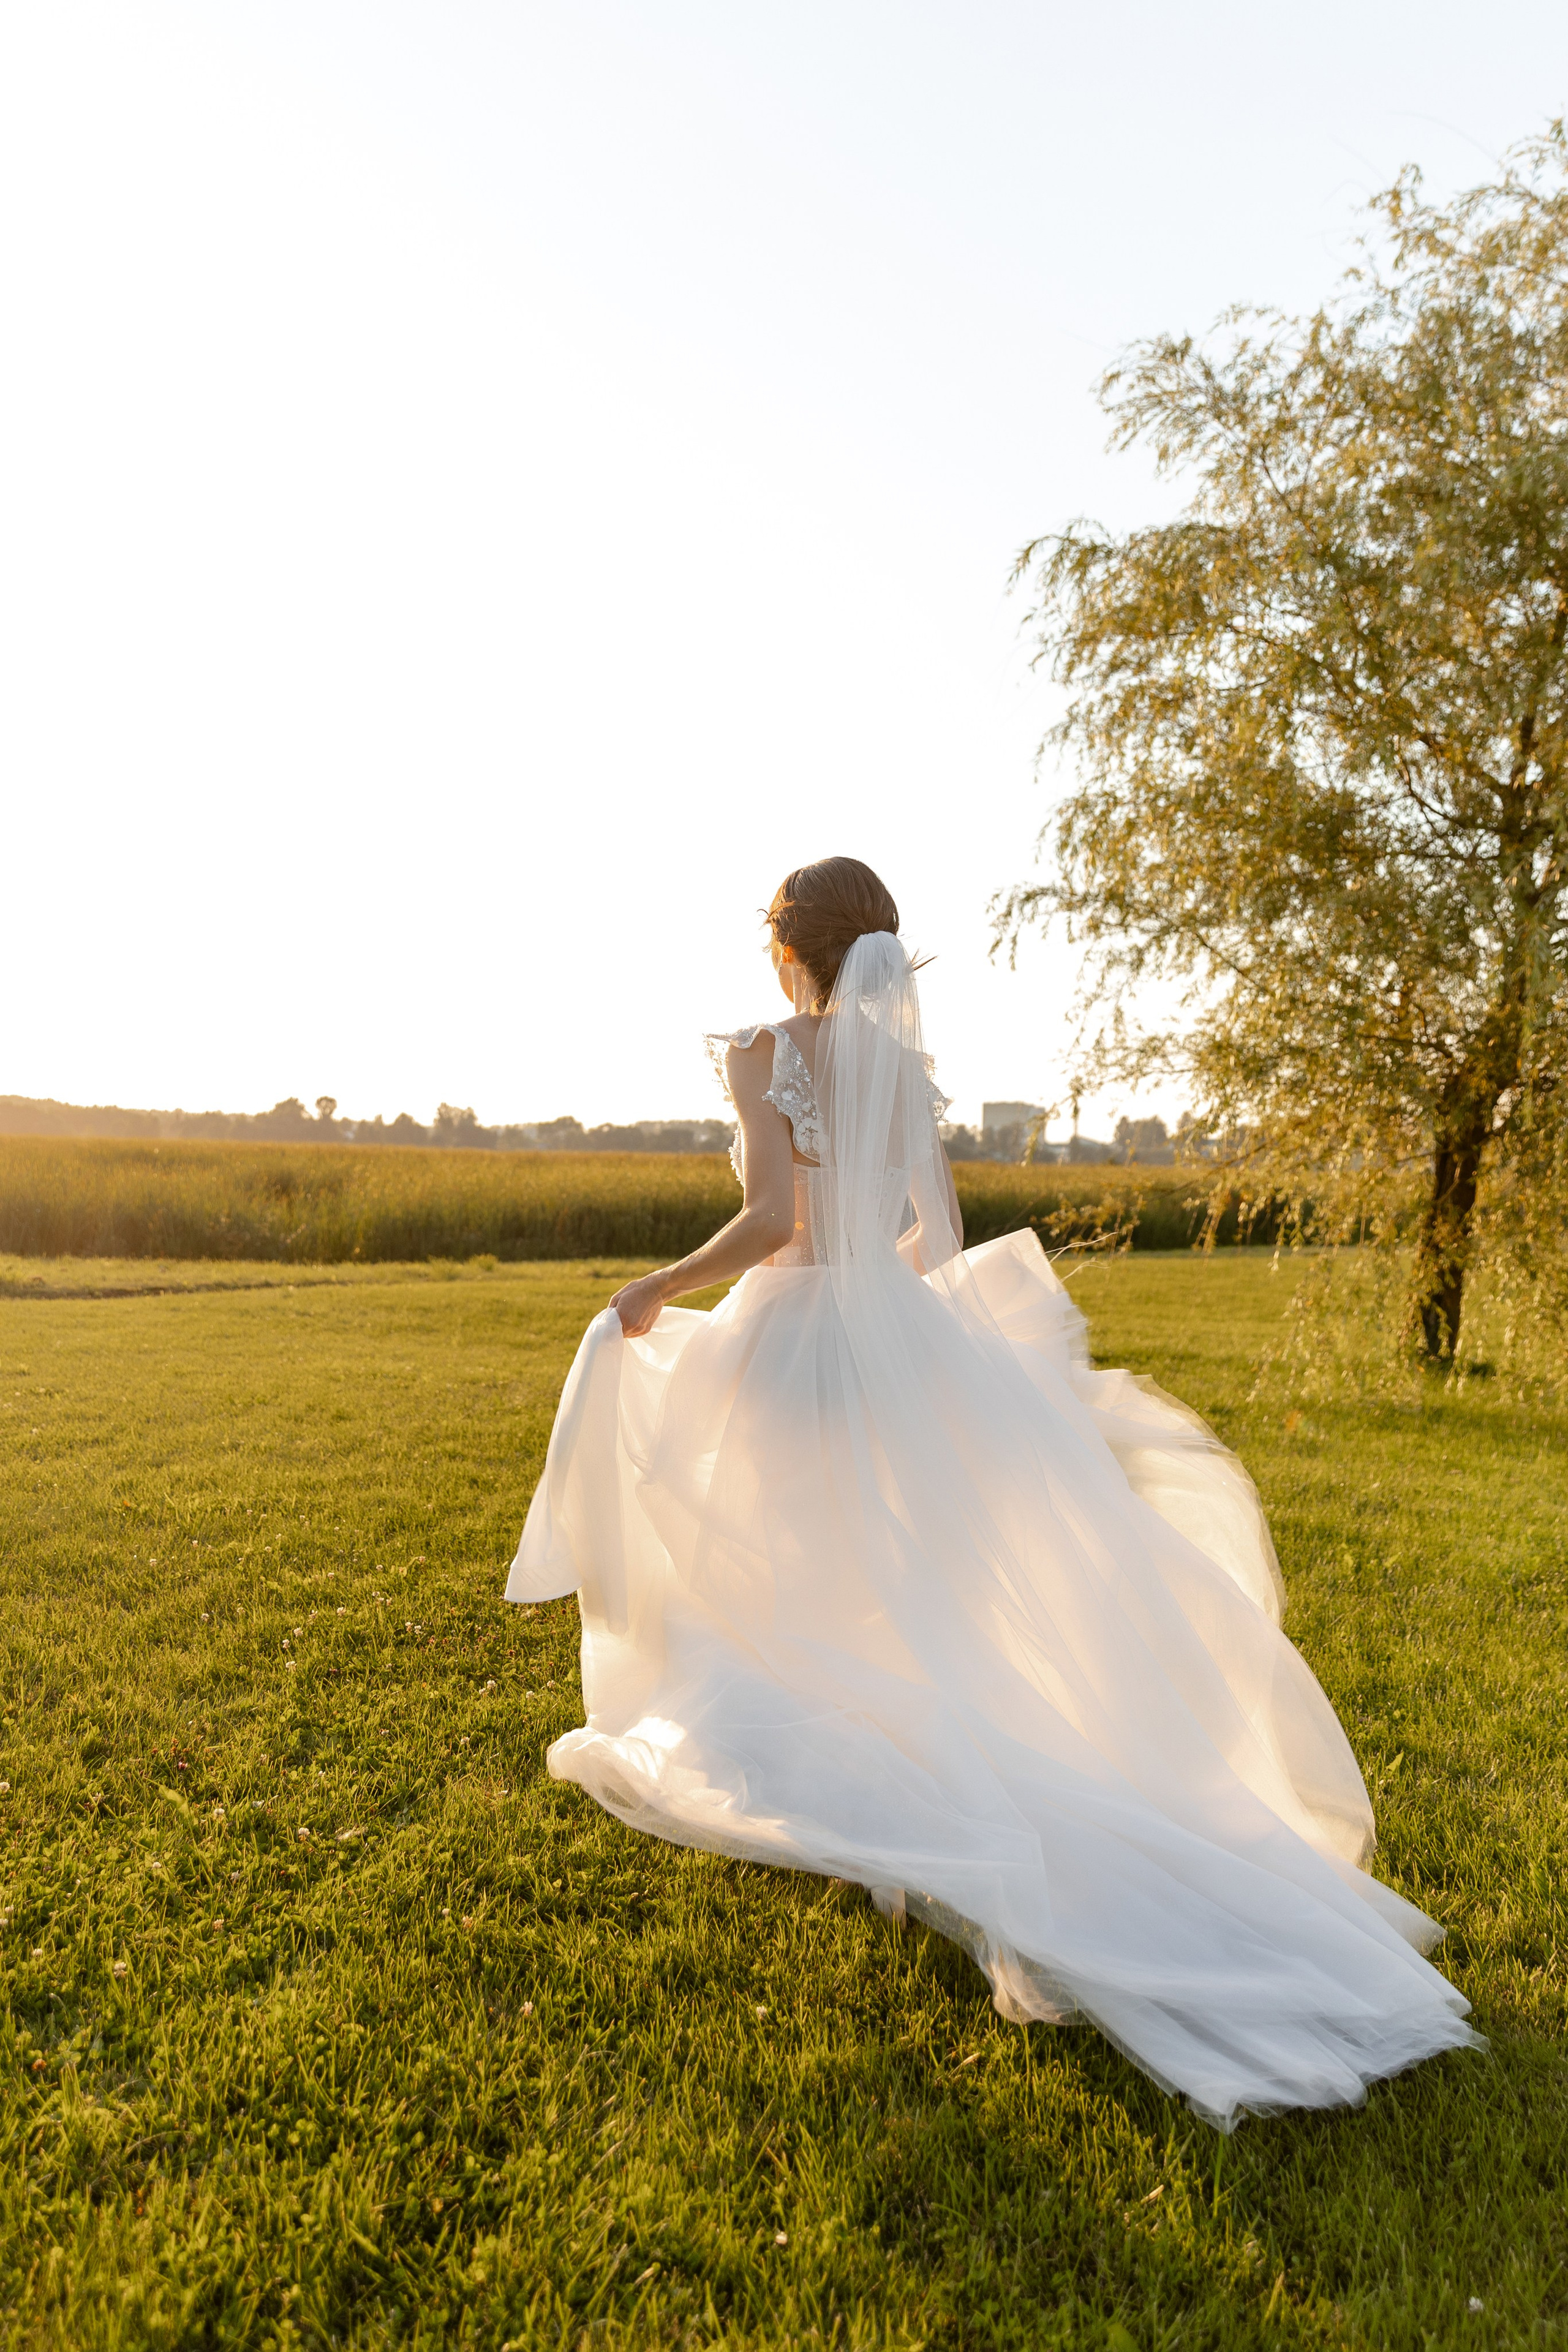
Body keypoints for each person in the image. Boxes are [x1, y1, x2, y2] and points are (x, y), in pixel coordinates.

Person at [506, 856, 1477, 2128]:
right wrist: (882, 1307)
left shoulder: (762, 1050)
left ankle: (858, 1804)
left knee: (777, 1575)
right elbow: (940, 1241)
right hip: (898, 1338)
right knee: (895, 1583)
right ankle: (901, 1808)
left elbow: (768, 1221)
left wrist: (656, 1288)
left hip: (789, 1343)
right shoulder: (900, 1066)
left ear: (788, 952)